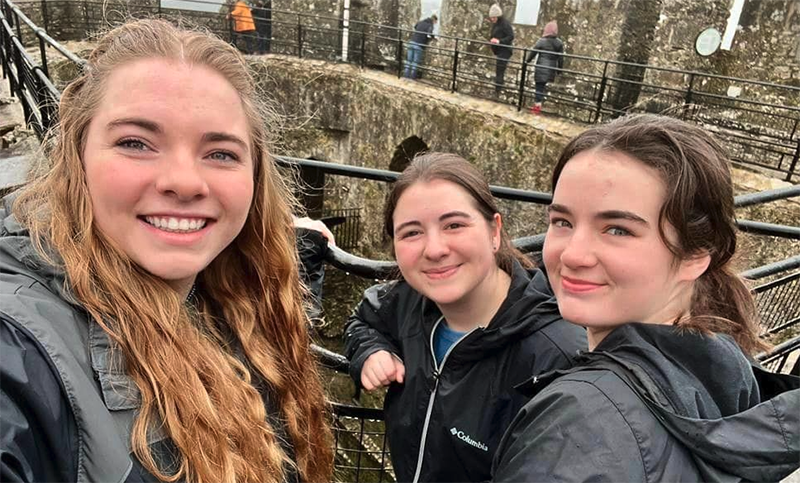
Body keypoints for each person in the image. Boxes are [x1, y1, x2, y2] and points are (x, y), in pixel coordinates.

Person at [0, 19, 333, 483]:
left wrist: (300, 251)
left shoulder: (231, 294)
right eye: (136, 143)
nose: (184, 182)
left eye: (220, 153)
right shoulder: (19, 349)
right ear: (76, 156)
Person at [492, 114, 800, 482]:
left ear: (695, 255)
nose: (572, 254)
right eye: (562, 222)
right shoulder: (724, 368)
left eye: (617, 229)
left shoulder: (581, 423)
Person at [344, 153, 586, 483]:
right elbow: (363, 320)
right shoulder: (407, 302)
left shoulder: (555, 357)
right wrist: (370, 351)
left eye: (454, 225)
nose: (434, 249)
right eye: (412, 233)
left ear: (494, 231)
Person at [524, 20, 564, 115]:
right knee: (542, 87)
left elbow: (533, 52)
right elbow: (561, 58)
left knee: (539, 87)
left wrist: (527, 61)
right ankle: (539, 105)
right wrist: (559, 69)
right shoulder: (559, 43)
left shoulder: (541, 41)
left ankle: (537, 107)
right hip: (551, 68)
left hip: (541, 67)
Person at [487, 4, 514, 98]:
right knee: (499, 70)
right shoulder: (496, 24)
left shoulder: (505, 24)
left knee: (500, 70)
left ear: (498, 16)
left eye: (494, 17)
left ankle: (497, 91)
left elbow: (511, 36)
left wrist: (499, 41)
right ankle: (497, 90)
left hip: (505, 50)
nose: (492, 19)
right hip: (499, 50)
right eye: (491, 18)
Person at [404, 14, 437, 80]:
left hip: (412, 42)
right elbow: (429, 34)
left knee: (409, 60)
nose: (435, 24)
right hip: (419, 44)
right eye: (436, 22)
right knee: (415, 62)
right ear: (434, 20)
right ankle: (412, 77)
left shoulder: (421, 22)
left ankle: (406, 76)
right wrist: (433, 37)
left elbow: (415, 27)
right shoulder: (430, 25)